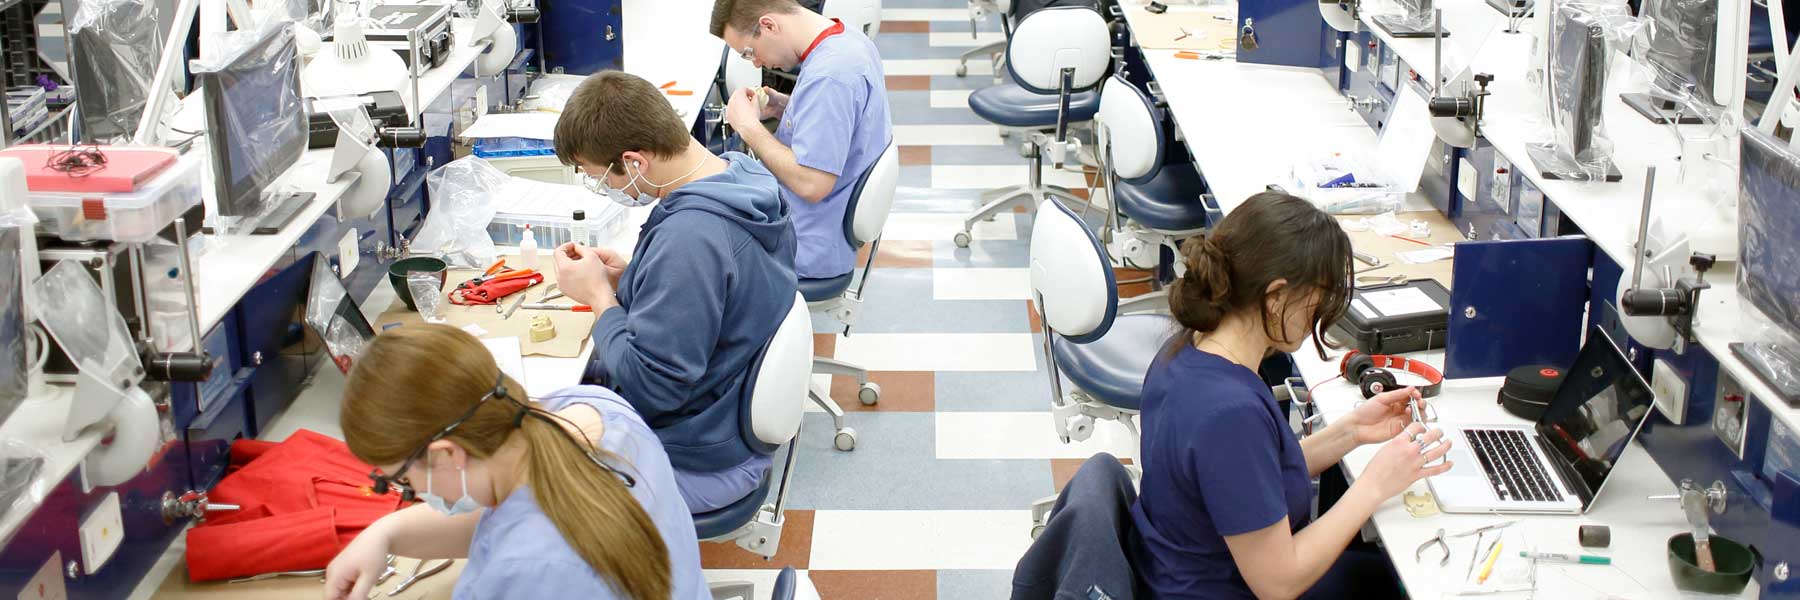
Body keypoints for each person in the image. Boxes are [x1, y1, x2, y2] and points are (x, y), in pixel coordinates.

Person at [1131, 192, 1455, 599]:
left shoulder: (1190, 349)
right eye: (1317, 297)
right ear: (1277, 294)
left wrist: (1350, 431)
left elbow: (1247, 481)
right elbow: (1278, 583)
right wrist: (1375, 483)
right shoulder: (1228, 414)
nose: (1318, 312)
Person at [549, 71, 798, 514]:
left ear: (634, 163)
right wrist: (633, 280)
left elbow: (652, 387)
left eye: (600, 177)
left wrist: (599, 300)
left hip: (697, 459)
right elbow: (720, 301)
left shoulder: (690, 237)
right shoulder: (741, 177)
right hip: (722, 420)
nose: (605, 188)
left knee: (526, 487)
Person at [321, 324, 707, 600]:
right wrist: (383, 534)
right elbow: (503, 520)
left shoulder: (525, 571)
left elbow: (523, 544)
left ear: (446, 453)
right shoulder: (597, 410)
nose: (414, 493)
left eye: (403, 481)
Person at [713, 0, 892, 280]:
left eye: (750, 53)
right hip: (823, 225)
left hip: (805, 244)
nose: (757, 63)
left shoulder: (828, 77)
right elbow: (845, 121)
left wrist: (749, 128)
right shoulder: (847, 39)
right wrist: (786, 106)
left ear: (769, 25)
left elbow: (812, 184)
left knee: (698, 254)